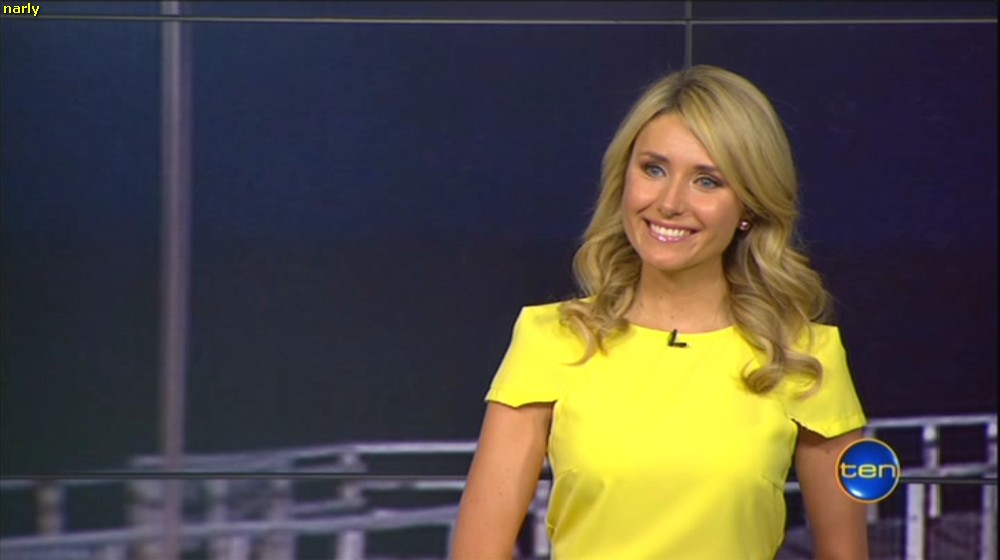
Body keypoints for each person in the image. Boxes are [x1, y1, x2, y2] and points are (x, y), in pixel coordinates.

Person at [450, 65, 869, 559]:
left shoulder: (804, 357)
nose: (670, 203)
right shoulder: (552, 339)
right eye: (653, 169)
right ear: (623, 178)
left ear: (749, 208)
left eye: (707, 181)